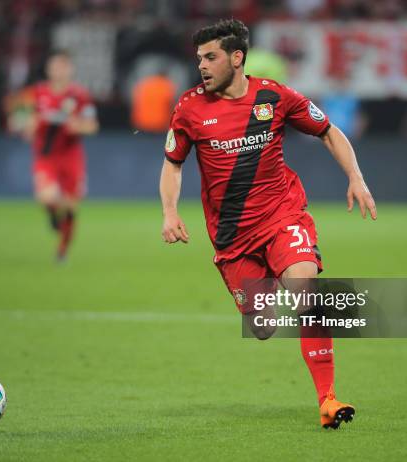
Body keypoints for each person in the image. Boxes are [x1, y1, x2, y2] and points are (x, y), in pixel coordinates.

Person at [159, 19, 376, 429]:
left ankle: (327, 399)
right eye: (199, 59)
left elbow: (328, 131)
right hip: (233, 237)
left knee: (306, 290)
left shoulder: (273, 97)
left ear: (236, 58)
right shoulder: (189, 108)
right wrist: (170, 211)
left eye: (211, 57)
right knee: (262, 327)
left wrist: (356, 177)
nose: (202, 66)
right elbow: (172, 164)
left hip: (282, 215)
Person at [20, 50, 99, 261]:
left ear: (70, 70)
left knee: (71, 205)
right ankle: (53, 216)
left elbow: (92, 126)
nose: (59, 71)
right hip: (46, 156)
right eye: (55, 66)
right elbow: (24, 121)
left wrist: (78, 126)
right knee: (46, 197)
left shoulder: (80, 96)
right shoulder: (36, 94)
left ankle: (62, 249)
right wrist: (28, 127)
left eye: (63, 67)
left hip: (71, 157)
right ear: (48, 69)